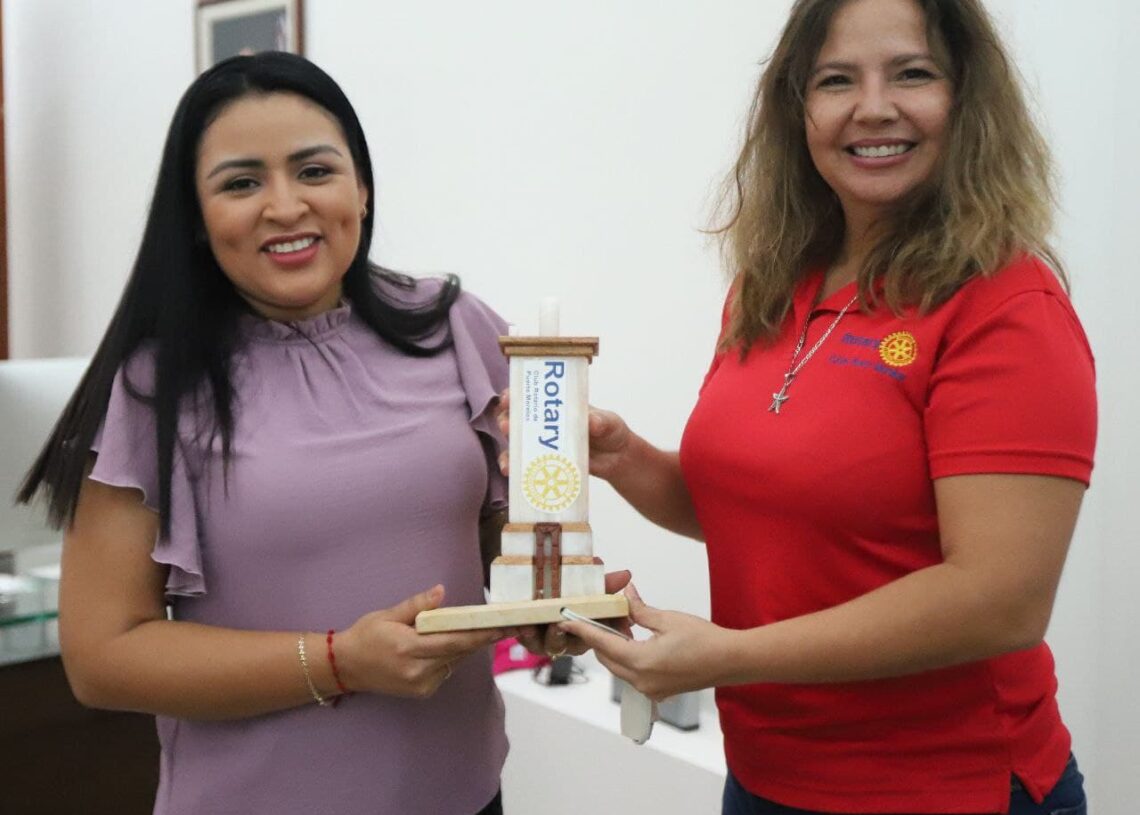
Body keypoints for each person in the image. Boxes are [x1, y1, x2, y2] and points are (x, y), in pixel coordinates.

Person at [549, 1, 1095, 813]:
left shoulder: (1007, 307)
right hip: (764, 777)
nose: (872, 107)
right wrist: (626, 458)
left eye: (912, 73)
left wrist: (729, 656)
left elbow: (1000, 599)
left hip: (946, 790)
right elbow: (765, 509)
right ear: (797, 109)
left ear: (967, 99)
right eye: (836, 80)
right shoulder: (771, 287)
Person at [19, 52, 515, 815]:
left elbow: (498, 538)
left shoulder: (456, 327)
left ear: (362, 186)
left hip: (466, 796)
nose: (285, 207)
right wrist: (341, 661)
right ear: (196, 215)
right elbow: (102, 657)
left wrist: (553, 609)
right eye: (241, 183)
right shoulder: (151, 386)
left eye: (315, 171)